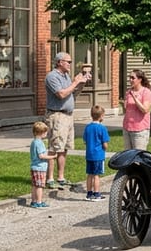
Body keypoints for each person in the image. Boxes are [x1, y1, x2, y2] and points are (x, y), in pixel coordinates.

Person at [44, 52, 90, 189]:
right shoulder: (52, 77)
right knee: (54, 147)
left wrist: (81, 83)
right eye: (68, 61)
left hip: (68, 116)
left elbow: (72, 94)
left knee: (64, 148)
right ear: (59, 62)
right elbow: (61, 94)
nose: (70, 64)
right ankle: (50, 178)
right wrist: (75, 82)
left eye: (70, 61)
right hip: (57, 116)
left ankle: (61, 177)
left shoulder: (66, 76)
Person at [82, 105, 110, 201]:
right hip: (98, 155)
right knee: (97, 175)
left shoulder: (88, 127)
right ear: (101, 116)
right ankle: (97, 193)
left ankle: (89, 193)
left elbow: (85, 141)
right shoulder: (102, 128)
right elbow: (105, 143)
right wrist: (105, 148)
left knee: (89, 174)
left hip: (89, 154)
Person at [123, 69, 151, 151]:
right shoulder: (128, 92)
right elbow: (126, 109)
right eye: (130, 78)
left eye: (133, 78)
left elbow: (145, 110)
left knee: (138, 156)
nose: (130, 80)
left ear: (140, 79)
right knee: (127, 156)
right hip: (127, 128)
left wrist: (134, 97)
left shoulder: (146, 92)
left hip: (140, 130)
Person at [29, 121, 55, 208]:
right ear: (41, 133)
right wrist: (51, 157)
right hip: (40, 168)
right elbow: (41, 156)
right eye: (45, 132)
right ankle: (39, 202)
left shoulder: (34, 142)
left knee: (34, 185)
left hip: (34, 167)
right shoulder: (39, 143)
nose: (46, 134)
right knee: (40, 186)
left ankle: (33, 201)